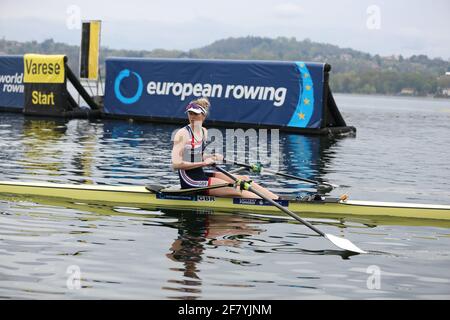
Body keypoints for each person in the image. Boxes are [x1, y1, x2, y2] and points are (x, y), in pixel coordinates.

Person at [171, 97, 278, 199]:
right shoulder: (182, 134)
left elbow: (194, 155)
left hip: (200, 174)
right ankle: (272, 205)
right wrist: (204, 163)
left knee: (244, 179)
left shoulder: (204, 131)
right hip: (190, 180)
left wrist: (212, 156)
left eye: (196, 114)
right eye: (190, 113)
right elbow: (176, 165)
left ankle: (277, 199)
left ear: (203, 116)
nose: (192, 117)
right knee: (237, 188)